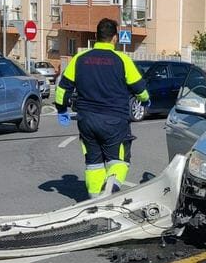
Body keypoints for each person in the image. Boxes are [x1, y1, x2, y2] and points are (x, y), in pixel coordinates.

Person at [55, 18, 150, 199]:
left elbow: (62, 88)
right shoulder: (122, 60)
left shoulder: (79, 59)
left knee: (94, 163)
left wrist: (61, 109)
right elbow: (140, 89)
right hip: (114, 121)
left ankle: (94, 198)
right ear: (115, 38)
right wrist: (145, 101)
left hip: (87, 120)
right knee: (119, 161)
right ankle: (110, 189)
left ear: (96, 37)